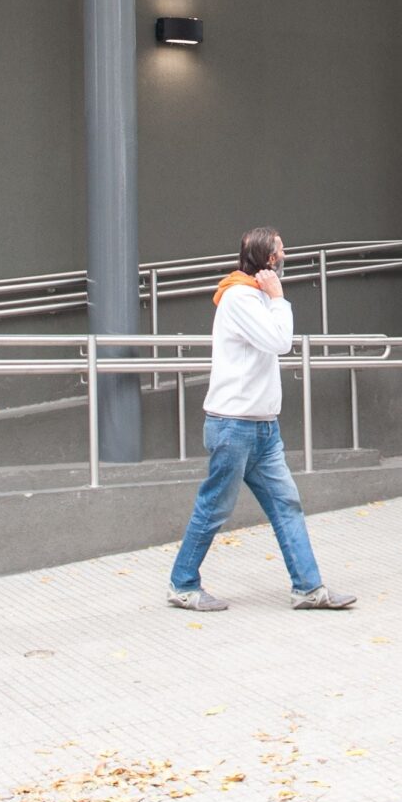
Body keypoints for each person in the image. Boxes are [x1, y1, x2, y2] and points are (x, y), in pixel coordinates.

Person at [167, 228, 357, 613]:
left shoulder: (253, 297)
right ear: (269, 260)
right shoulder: (239, 297)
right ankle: (182, 584)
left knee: (287, 504)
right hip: (234, 426)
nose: (286, 254)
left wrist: (271, 299)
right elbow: (280, 342)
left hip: (262, 427)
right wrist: (279, 299)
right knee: (215, 507)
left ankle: (308, 588)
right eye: (282, 250)